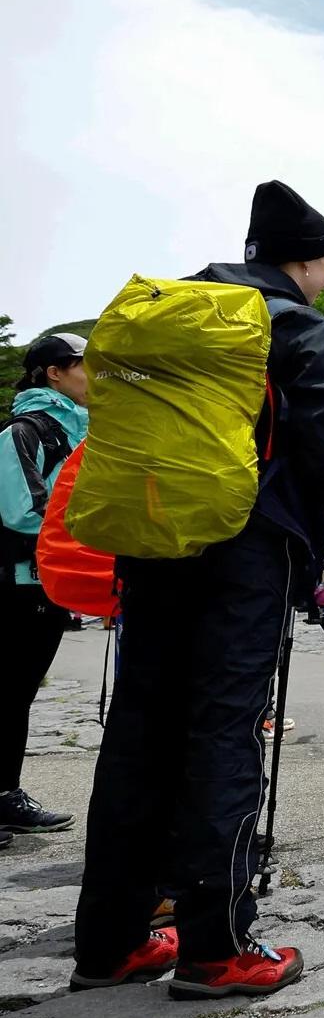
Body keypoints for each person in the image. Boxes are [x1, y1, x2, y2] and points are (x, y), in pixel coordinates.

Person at [75, 179, 324, 998]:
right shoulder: (295, 323)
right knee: (226, 729)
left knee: (139, 730)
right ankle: (218, 947)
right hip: (245, 548)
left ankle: (109, 943)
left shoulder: (174, 316)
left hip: (150, 542)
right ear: (306, 261)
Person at [1, 332, 93, 842]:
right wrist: (93, 538)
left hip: (49, 583)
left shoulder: (78, 430)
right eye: (83, 364)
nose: (92, 374)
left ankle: (5, 796)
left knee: (16, 695)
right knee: (7, 692)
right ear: (52, 372)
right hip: (17, 583)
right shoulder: (25, 430)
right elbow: (21, 509)